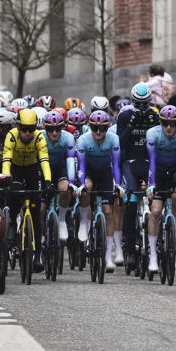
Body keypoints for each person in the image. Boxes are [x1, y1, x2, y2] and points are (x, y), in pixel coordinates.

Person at [0, 107, 52, 273]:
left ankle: (38, 255)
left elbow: (44, 161)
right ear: (17, 127)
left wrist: (48, 181)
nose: (28, 133)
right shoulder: (11, 136)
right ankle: (13, 229)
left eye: (31, 129)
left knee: (36, 214)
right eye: (24, 129)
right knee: (14, 198)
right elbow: (6, 160)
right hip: (15, 169)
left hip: (31, 169)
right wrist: (5, 181)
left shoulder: (39, 138)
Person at [116, 82, 158, 270]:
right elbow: (120, 143)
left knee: (156, 204)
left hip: (149, 162)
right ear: (133, 102)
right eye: (138, 104)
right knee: (131, 206)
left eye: (145, 104)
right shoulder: (124, 115)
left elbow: (159, 141)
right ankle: (131, 251)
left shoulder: (154, 115)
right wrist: (131, 125)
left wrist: (154, 121)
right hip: (130, 162)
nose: (141, 108)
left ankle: (158, 246)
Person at [145, 104, 176, 272]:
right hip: (158, 172)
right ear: (160, 122)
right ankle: (153, 255)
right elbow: (151, 159)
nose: (169, 127)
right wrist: (151, 184)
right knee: (156, 212)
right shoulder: (152, 133)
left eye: (173, 123)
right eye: (165, 123)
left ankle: (174, 219)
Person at [75, 110, 123, 271]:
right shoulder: (83, 139)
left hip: (105, 173)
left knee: (108, 212)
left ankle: (108, 256)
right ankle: (84, 221)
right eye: (95, 127)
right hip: (88, 172)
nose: (98, 132)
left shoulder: (113, 138)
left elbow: (116, 164)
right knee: (87, 188)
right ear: (90, 127)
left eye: (102, 128)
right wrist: (81, 184)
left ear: (107, 128)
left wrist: (118, 185)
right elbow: (80, 165)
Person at [41, 110, 77, 241]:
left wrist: (72, 183)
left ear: (62, 127)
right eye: (51, 129)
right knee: (41, 209)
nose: (54, 133)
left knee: (65, 189)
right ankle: (40, 235)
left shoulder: (68, 137)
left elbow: (70, 160)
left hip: (58, 168)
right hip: (41, 169)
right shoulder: (39, 136)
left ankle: (61, 220)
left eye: (57, 129)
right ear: (45, 128)